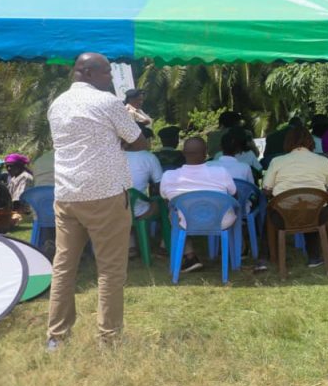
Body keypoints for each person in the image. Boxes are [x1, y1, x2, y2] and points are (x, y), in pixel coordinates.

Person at [45, 52, 148, 350]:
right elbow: (139, 142)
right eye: (107, 73)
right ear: (88, 72)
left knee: (64, 266)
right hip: (105, 195)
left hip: (67, 195)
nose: (111, 79)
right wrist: (116, 138)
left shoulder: (57, 104)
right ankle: (109, 338)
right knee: (111, 269)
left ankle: (56, 337)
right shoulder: (108, 102)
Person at [160, 137, 237, 273]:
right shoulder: (221, 172)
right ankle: (238, 256)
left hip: (185, 222)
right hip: (220, 221)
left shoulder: (169, 176)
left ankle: (188, 255)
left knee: (173, 213)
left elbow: (166, 200)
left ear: (183, 153)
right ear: (205, 154)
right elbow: (234, 194)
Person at [263, 126, 328, 267]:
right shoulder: (323, 161)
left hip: (283, 216)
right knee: (312, 207)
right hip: (317, 215)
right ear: (311, 141)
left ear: (287, 142)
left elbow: (266, 189)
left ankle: (264, 258)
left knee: (269, 214)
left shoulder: (277, 161)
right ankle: (314, 256)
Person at [125, 129, 163, 221]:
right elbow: (160, 187)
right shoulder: (149, 157)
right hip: (140, 212)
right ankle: (148, 227)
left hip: (112, 210)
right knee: (162, 202)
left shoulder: (111, 157)